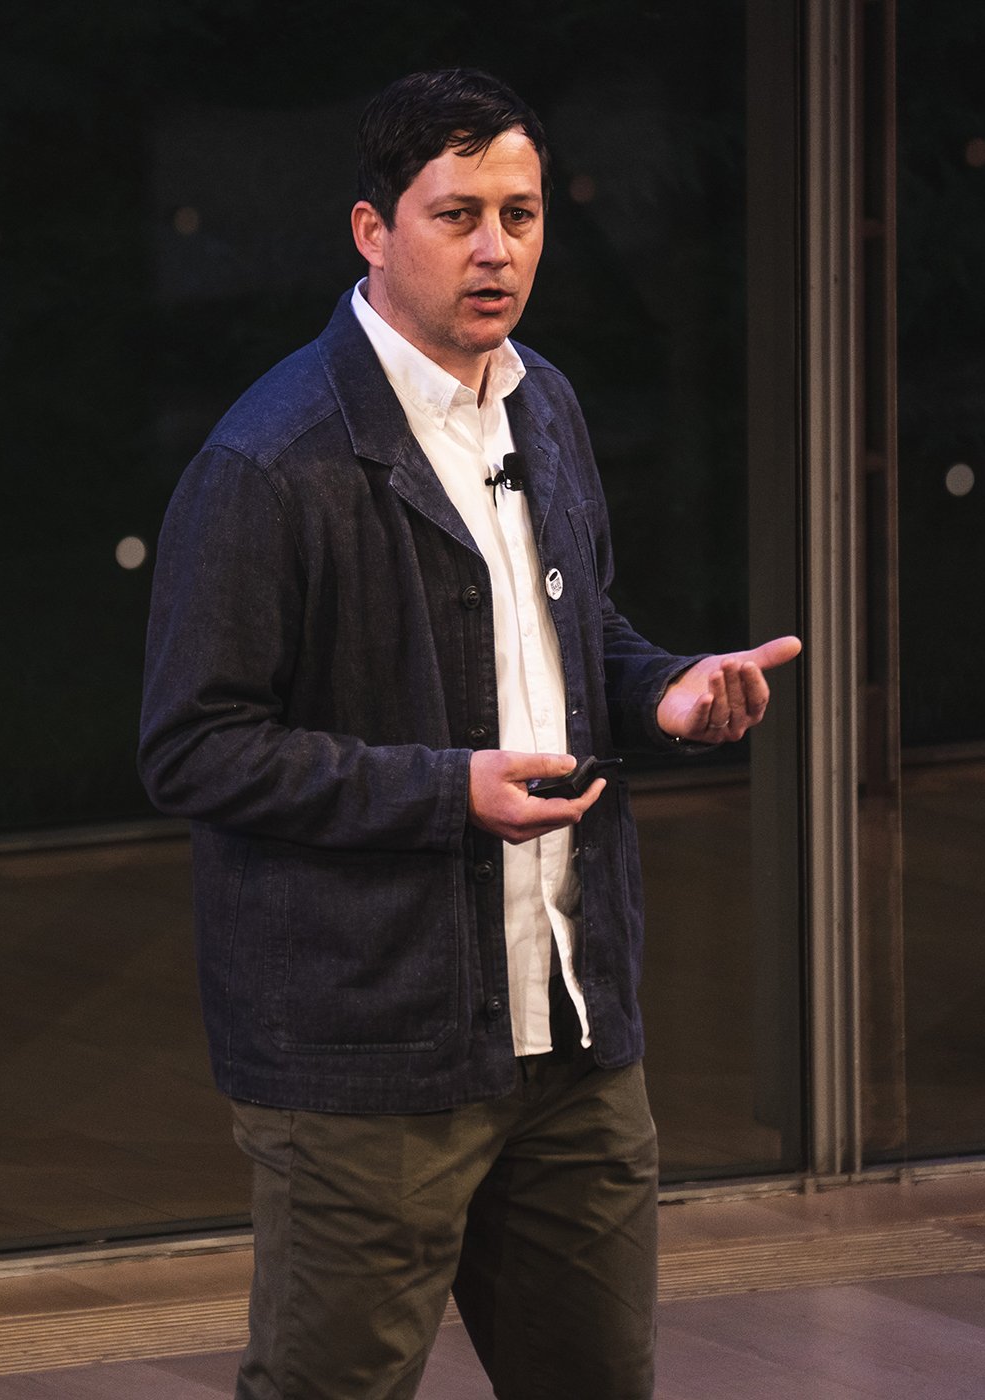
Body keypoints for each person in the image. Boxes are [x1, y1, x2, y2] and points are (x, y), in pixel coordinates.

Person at [139, 68, 801, 1400]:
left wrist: (663, 688)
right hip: (370, 1054)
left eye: (523, 212)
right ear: (372, 231)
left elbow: (565, 634)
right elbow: (194, 747)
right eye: (458, 215)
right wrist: (451, 794)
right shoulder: (274, 463)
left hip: (567, 1027)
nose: (497, 247)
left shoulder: (540, 402)